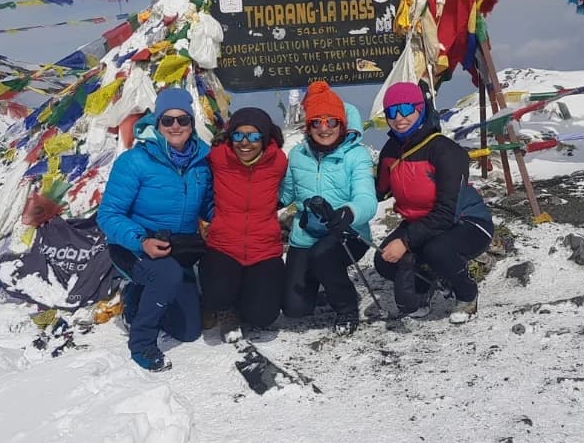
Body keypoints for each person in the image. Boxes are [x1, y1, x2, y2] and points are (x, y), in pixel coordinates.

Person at [99, 88, 212, 371]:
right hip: (133, 247)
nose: (175, 126)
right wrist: (141, 240)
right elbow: (108, 214)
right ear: (157, 123)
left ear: (191, 123)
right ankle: (141, 343)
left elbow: (209, 206)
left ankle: (137, 297)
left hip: (177, 249)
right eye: (168, 120)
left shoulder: (201, 162)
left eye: (182, 120)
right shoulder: (135, 161)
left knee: (189, 332)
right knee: (167, 275)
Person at [373, 81, 494, 324]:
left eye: (406, 109)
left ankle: (467, 294)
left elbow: (446, 212)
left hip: (466, 221)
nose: (399, 118)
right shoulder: (391, 151)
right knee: (383, 260)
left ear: (421, 109)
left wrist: (406, 241)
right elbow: (378, 191)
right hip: (422, 221)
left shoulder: (445, 150)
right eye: (392, 112)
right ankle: (427, 287)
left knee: (436, 251)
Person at [279, 81, 378, 335]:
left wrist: (348, 212)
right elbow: (286, 194)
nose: (324, 129)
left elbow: (367, 198)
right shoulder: (297, 156)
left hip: (347, 234)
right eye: (317, 122)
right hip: (306, 236)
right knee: (295, 308)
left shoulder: (356, 155)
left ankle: (346, 308)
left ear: (342, 124)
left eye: (331, 122)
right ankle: (329, 282)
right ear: (308, 125)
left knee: (323, 256)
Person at [202, 107, 288, 342]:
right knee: (216, 295)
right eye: (239, 135)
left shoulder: (278, 162)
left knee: (262, 316)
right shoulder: (218, 157)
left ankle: (244, 299)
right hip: (224, 245)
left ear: (265, 137)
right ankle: (226, 309)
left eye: (254, 136)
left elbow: (289, 189)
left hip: (263, 248)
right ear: (230, 137)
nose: (245, 143)